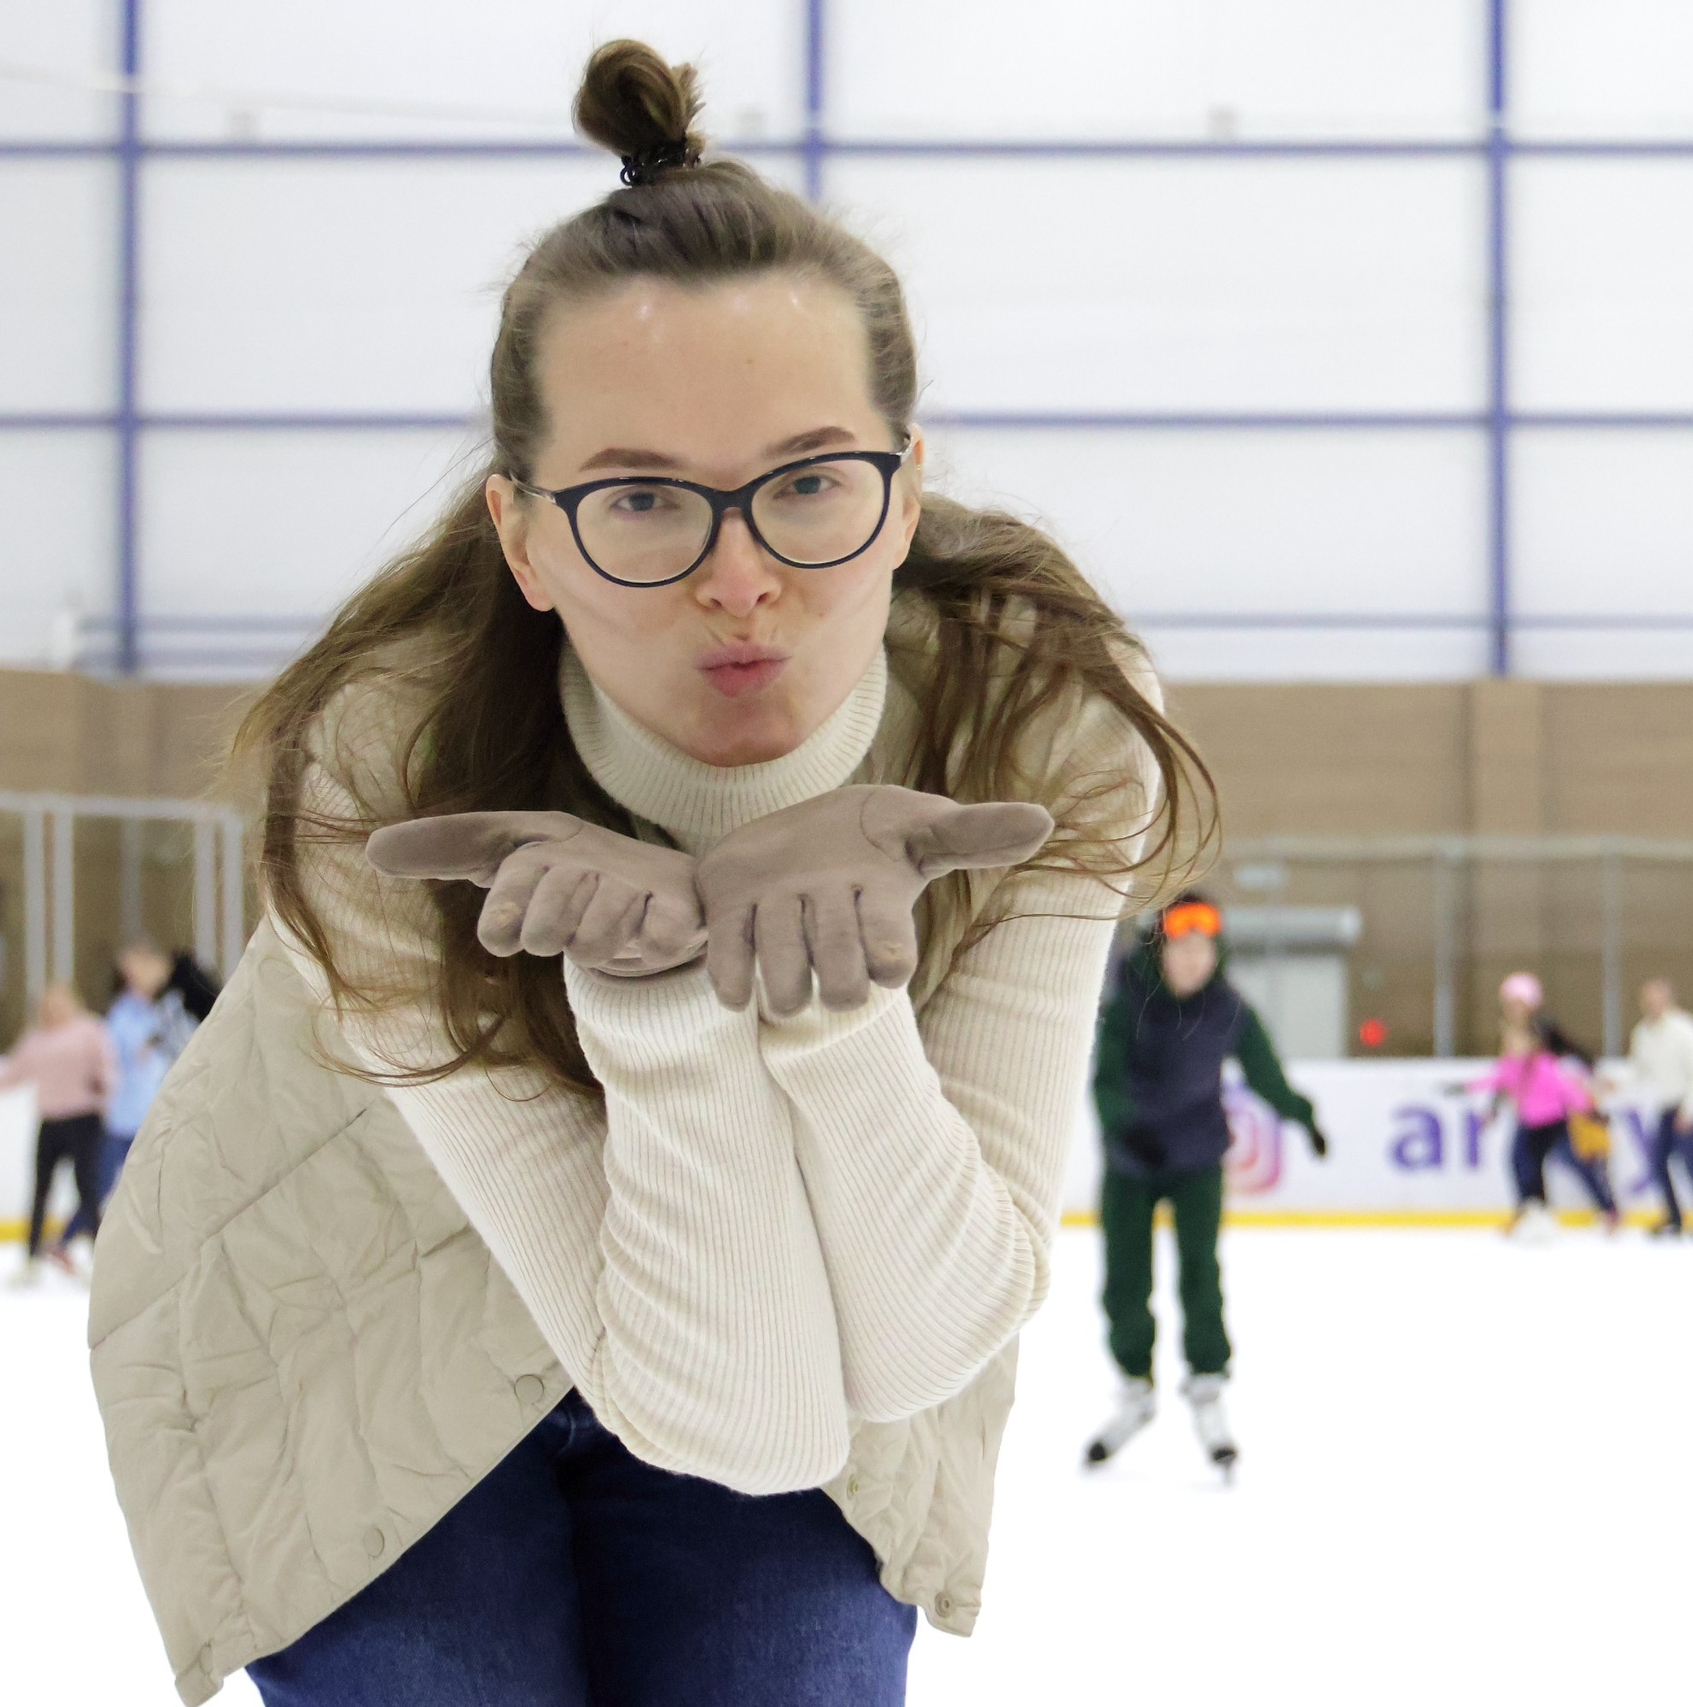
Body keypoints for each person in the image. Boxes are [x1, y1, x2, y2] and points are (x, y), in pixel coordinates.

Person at [86, 40, 1206, 1707]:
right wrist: (662, 991)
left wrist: (825, 991)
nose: (739, 579)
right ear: (524, 536)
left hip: (805, 1337)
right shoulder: (388, 766)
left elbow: (897, 1347)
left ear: (906, 490)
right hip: (348, 1312)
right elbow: (705, 1397)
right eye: (637, 501)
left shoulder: (1038, 729)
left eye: (812, 482)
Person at [1083, 894, 1324, 1475]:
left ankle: (1208, 1387)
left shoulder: (1228, 1010)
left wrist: (1302, 1115)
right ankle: (1135, 1387)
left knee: (1200, 1274)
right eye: (1182, 947)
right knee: (1124, 1281)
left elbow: (1264, 1071)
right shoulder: (1126, 1004)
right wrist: (1124, 1128)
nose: (1194, 960)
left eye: (1204, 948)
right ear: (1159, 950)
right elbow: (1104, 1079)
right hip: (1132, 1160)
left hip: (1196, 1158)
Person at [58, 939, 200, 1256]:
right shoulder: (123, 1014)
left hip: (149, 1116)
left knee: (154, 1186)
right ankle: (66, 1241)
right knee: (104, 1184)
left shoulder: (162, 1009)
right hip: (124, 1118)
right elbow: (118, 1058)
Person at [0, 983, 115, 1280]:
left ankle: (100, 1259)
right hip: (50, 1122)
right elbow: (13, 1074)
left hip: (84, 1119)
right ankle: (31, 1256)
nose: (53, 1009)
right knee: (40, 1189)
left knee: (87, 1188)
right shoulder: (36, 1040)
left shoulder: (89, 1031)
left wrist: (104, 1086)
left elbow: (109, 1069)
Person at [1467, 972, 1617, 1239]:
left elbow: (1572, 1051)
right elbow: (1506, 1075)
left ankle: (1608, 1209)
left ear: (1530, 1003)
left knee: (1575, 1160)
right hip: (1528, 1112)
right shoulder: (1510, 1031)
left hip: (1553, 1110)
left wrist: (1592, 1079)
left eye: (1517, 1003)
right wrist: (1493, 1107)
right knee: (1520, 1161)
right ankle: (1532, 1210)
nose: (1512, 1008)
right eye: (1509, 1003)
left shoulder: (1543, 1029)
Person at [1622, 978, 1693, 1238]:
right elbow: (1638, 1071)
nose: (1651, 1004)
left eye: (1656, 998)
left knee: (1690, 1163)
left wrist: (1690, 1110)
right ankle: (1675, 1218)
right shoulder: (1643, 1032)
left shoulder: (1684, 1029)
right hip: (1668, 1106)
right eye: (1647, 999)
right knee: (1657, 1163)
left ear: (1668, 1000)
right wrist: (1614, 1082)